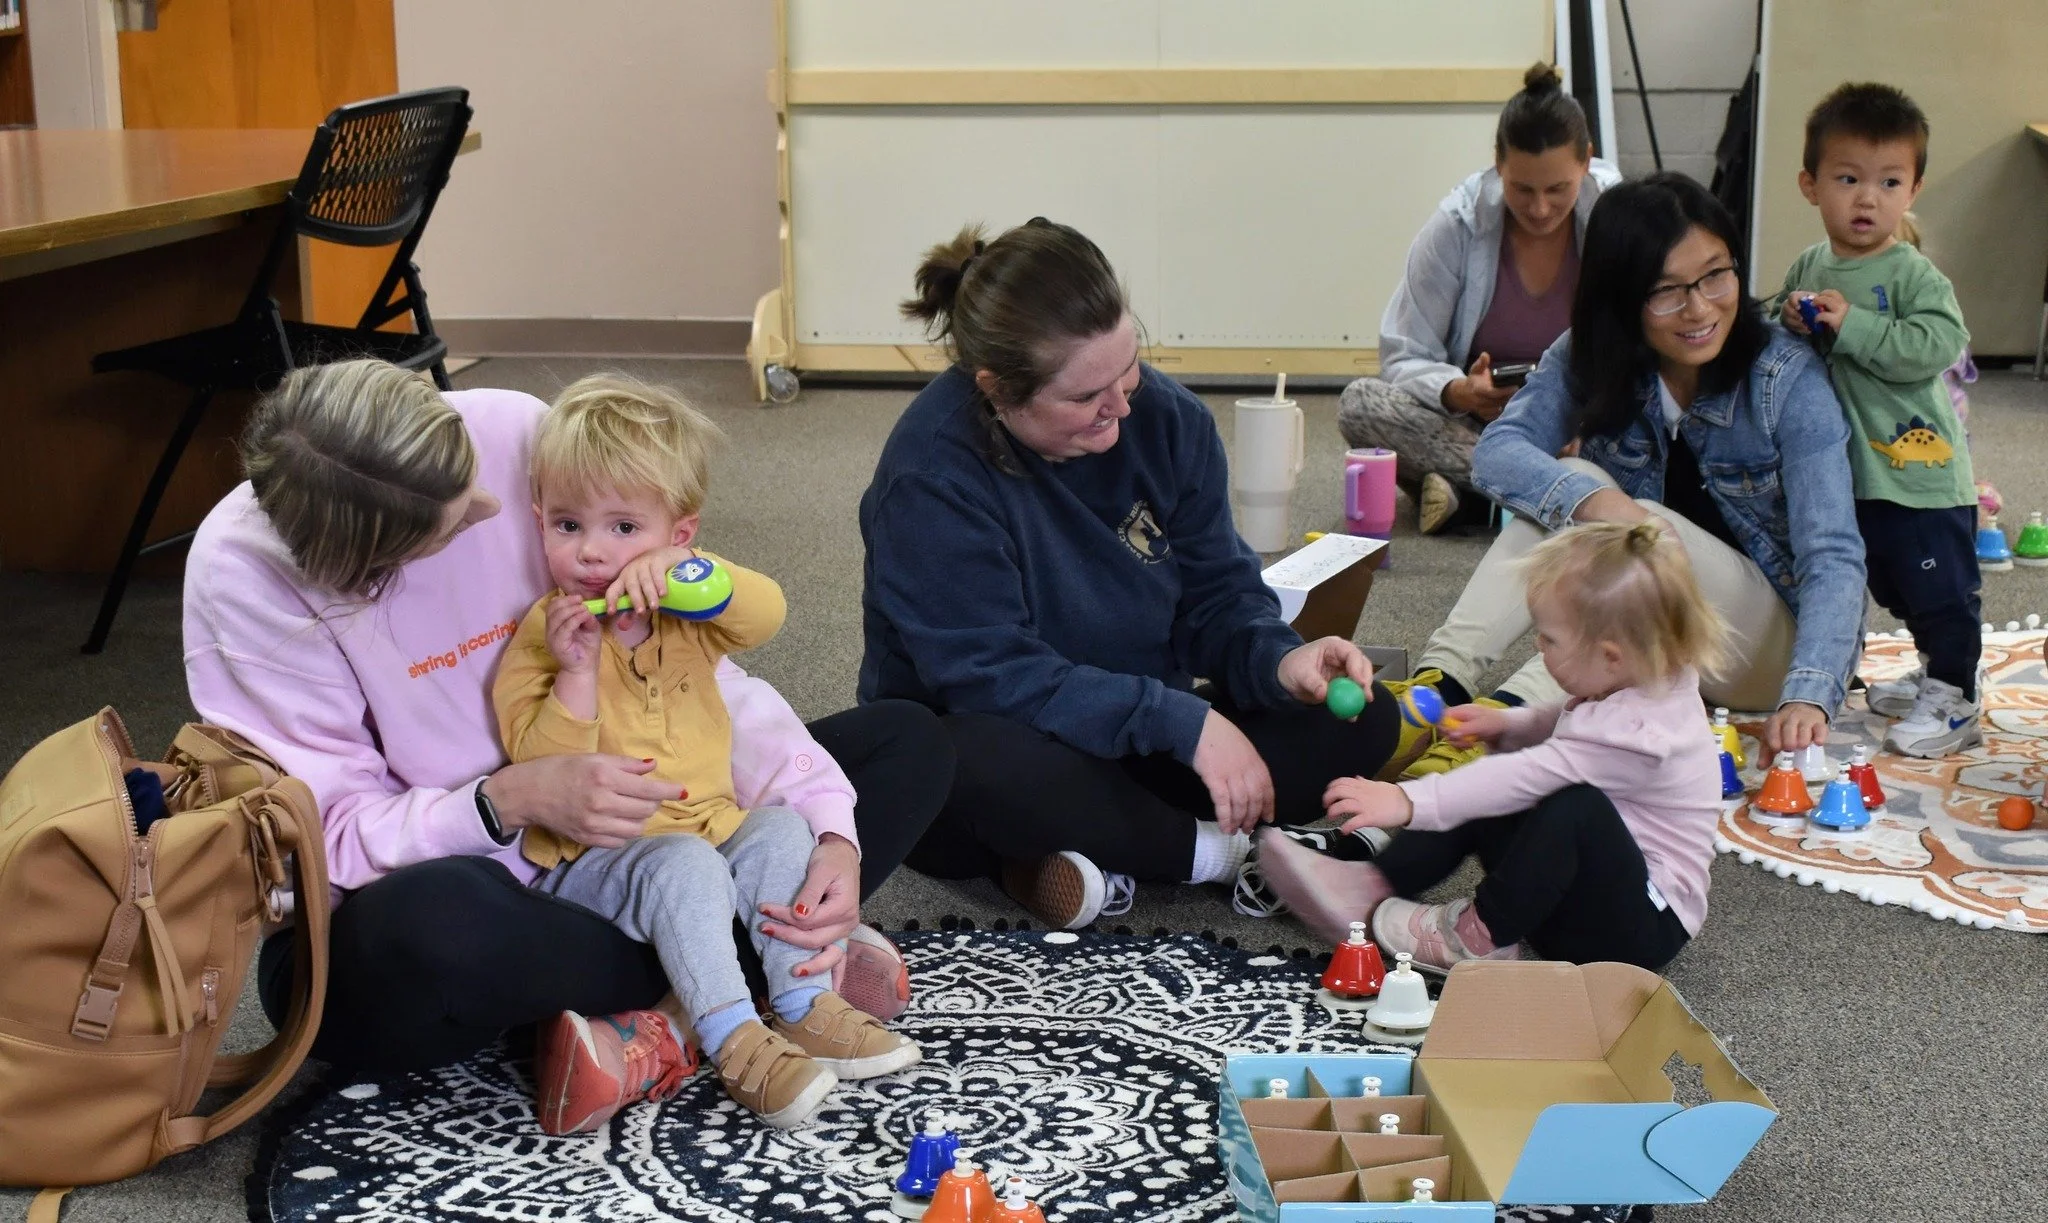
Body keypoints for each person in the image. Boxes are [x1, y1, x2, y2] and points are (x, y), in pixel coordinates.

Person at [182, 359, 954, 1083]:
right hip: (483, 887)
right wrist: (509, 799)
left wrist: (831, 832)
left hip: (660, 839)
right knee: (424, 934)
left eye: (483, 492)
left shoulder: (518, 435)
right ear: (364, 564)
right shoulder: (244, 574)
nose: (490, 513)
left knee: (907, 744)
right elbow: (325, 839)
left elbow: (689, 674)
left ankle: (676, 1007)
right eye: (454, 530)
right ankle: (748, 964)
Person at [859, 217, 1397, 930]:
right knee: (948, 760)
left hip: (1139, 742)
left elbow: (1220, 597)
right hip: (1005, 738)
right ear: (995, 389)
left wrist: (1281, 658)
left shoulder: (1168, 420)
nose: (1120, 407)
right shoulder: (931, 478)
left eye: (1130, 369)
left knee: (1363, 717)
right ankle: (1219, 854)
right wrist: (1182, 720)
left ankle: (1096, 851)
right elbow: (992, 677)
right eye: (1086, 397)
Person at [493, 376, 918, 1134]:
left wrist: (700, 579)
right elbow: (542, 764)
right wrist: (577, 676)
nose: (591, 550)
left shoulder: (686, 616)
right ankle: (734, 1038)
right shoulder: (541, 636)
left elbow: (769, 611)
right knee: (685, 868)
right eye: (567, 524)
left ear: (678, 537)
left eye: (624, 528)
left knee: (786, 829)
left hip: (711, 823)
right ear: (539, 523)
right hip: (602, 858)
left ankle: (802, 1003)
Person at [1360, 172, 1867, 787]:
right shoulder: (1591, 352)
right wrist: (1599, 504)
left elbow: (1833, 554)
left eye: (1715, 274)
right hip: (1650, 626)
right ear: (1621, 298)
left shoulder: (1785, 377)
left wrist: (1809, 693)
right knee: (1577, 490)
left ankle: (1505, 719)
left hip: (1760, 649)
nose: (1700, 307)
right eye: (1667, 291)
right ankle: (1436, 691)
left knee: (1635, 537)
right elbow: (1499, 453)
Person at [1261, 521, 1727, 972]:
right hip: (1577, 898)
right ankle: (1369, 885)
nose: (1537, 649)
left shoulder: (1641, 733)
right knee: (1499, 783)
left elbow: (1533, 772)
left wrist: (1408, 799)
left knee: (1565, 803)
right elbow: (1568, 720)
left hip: (1635, 931)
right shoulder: (1634, 678)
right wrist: (1509, 725)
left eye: (1549, 638)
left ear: (1610, 655)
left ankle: (1476, 939)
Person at [1772, 82, 1978, 757]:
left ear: (1912, 189)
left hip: (1918, 471)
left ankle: (1955, 692)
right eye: (1848, 178)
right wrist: (1792, 316)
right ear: (1810, 184)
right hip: (1853, 467)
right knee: (1889, 581)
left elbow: (1937, 346)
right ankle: (1932, 668)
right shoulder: (1810, 262)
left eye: (1889, 181)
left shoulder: (1912, 273)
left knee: (1939, 587)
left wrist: (1854, 324)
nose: (1868, 197)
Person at [1339, 63, 1622, 534]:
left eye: (1558, 189)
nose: (1539, 209)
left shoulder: (1619, 220)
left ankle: (1473, 492)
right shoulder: (1456, 226)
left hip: (1578, 425)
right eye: (1521, 188)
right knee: (1361, 402)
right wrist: (1459, 391)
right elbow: (1404, 354)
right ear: (1497, 162)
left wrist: (1586, 423)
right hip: (1482, 427)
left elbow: (1645, 351)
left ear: (1587, 161)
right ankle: (1554, 492)